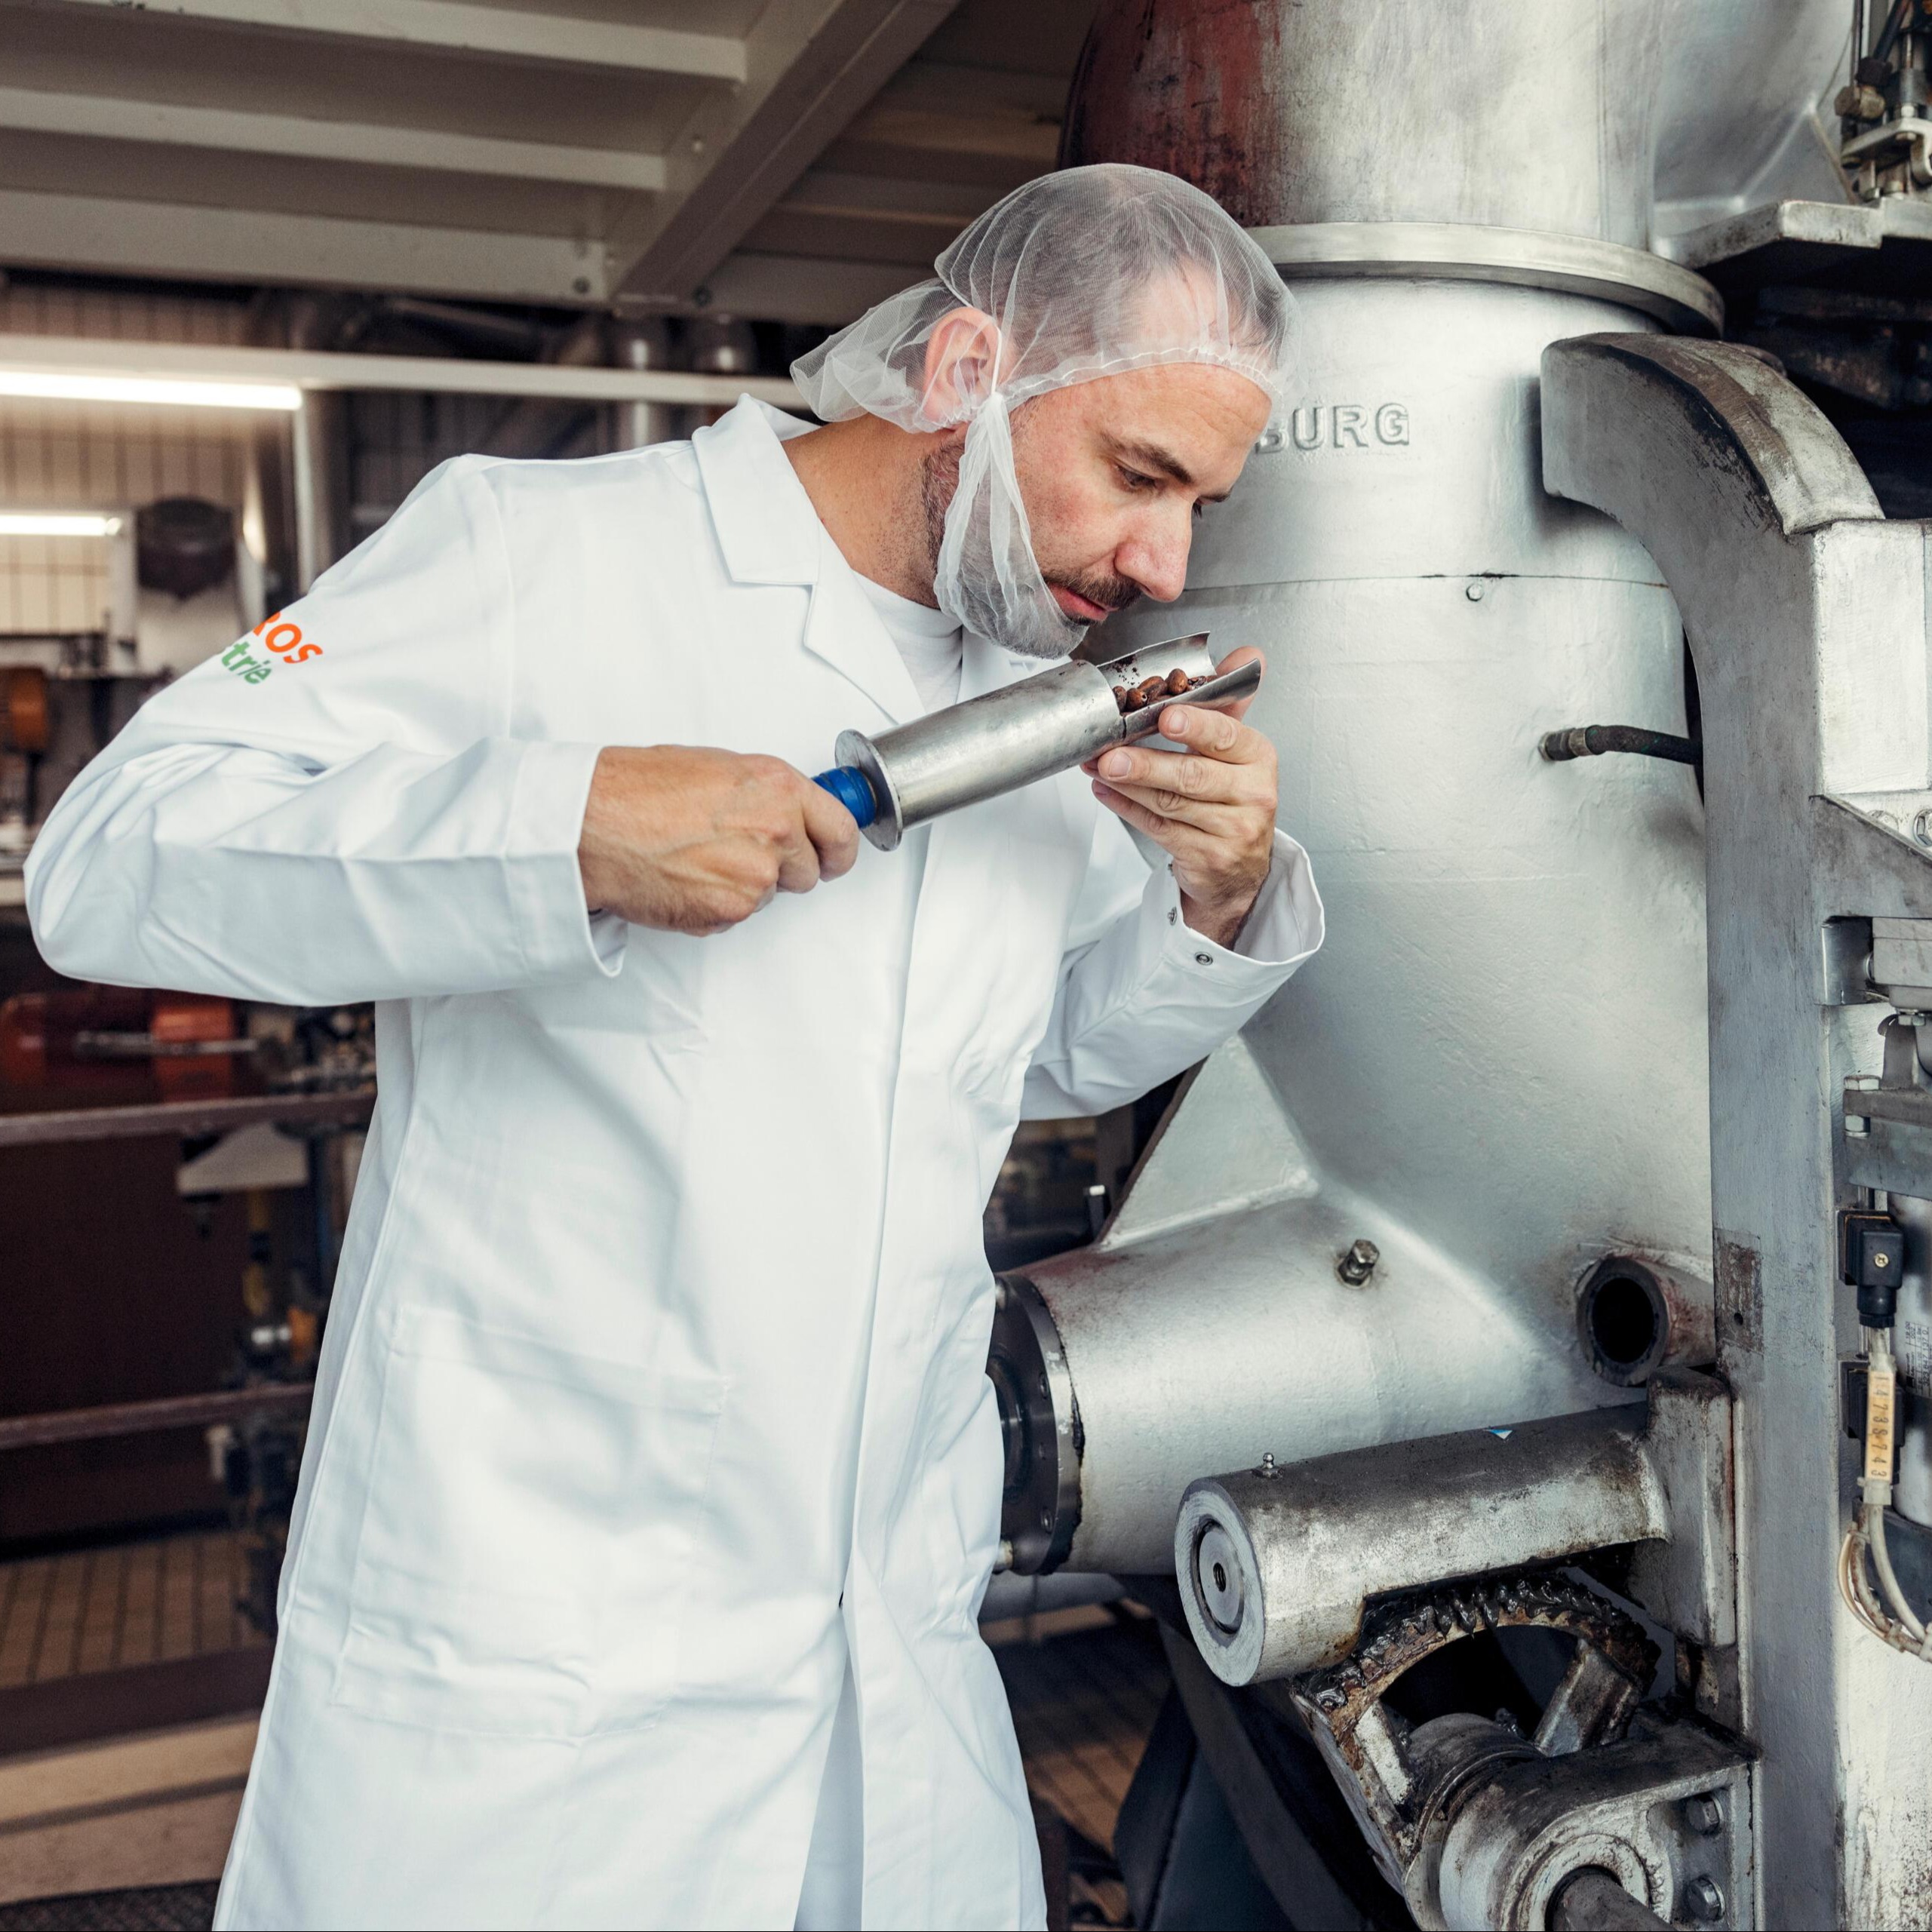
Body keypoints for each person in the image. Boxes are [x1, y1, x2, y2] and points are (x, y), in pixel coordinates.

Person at [26, 164, 1322, 1931]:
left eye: (1201, 504)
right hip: (545, 1691)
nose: (1163, 562)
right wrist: (558, 828)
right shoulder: (535, 550)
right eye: (1140, 475)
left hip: (895, 1670)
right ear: (963, 372)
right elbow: (114, 856)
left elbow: (1039, 1062)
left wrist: (1219, 903)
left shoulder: (1019, 699)